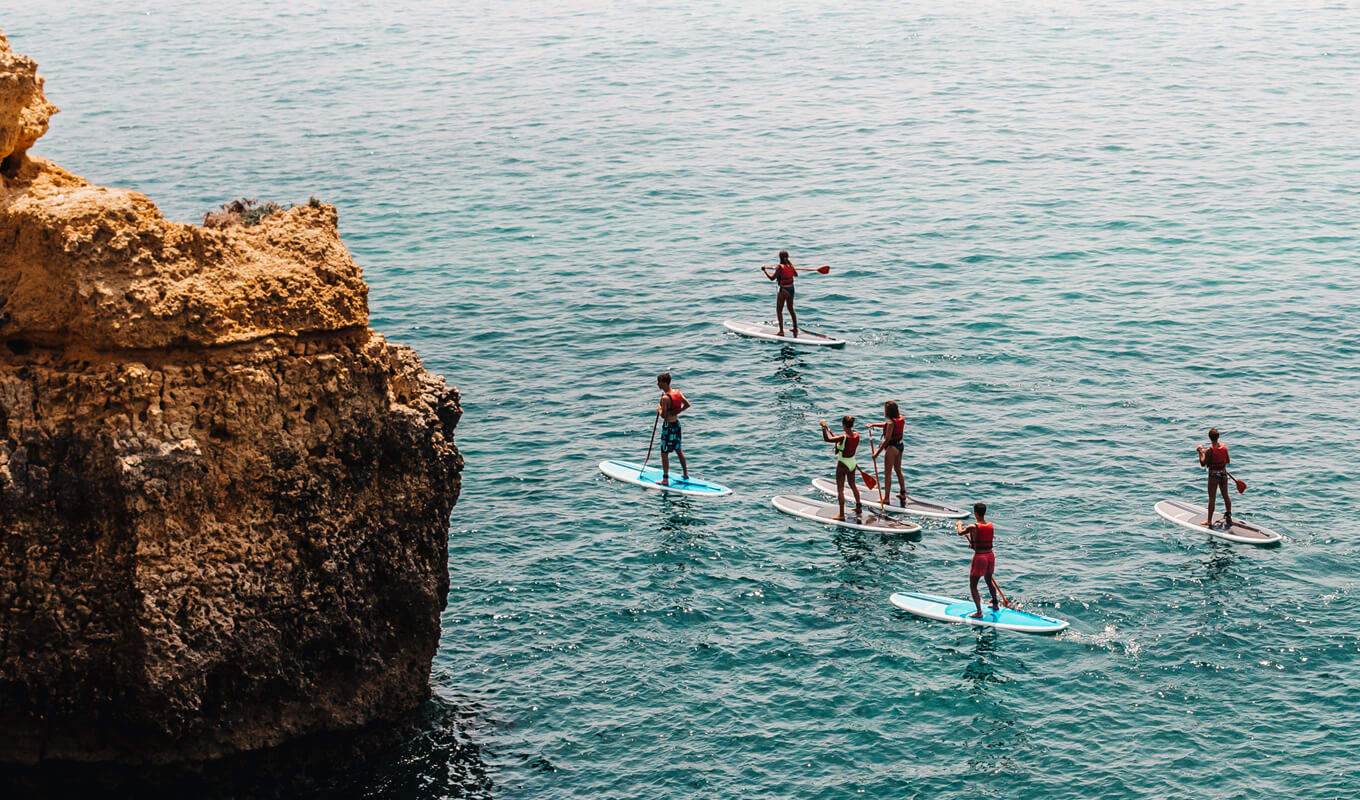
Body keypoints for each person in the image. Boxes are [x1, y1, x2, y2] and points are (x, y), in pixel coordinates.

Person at [956, 502, 1007, 619]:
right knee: (988, 580)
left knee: (973, 585)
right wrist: (974, 544)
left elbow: (960, 532)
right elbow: (982, 539)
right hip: (990, 556)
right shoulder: (990, 525)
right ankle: (995, 604)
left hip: (980, 558)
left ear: (975, 514)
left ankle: (979, 612)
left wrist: (959, 524)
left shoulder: (973, 526)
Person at [819, 416, 863, 520]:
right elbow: (846, 445)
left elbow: (827, 439)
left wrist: (823, 428)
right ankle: (858, 507)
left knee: (840, 490)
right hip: (852, 463)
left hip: (843, 464)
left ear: (843, 425)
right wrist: (839, 444)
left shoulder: (843, 437)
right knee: (853, 485)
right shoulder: (857, 435)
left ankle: (841, 515)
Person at [868, 401, 908, 506]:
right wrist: (873, 425)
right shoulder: (901, 418)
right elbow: (887, 426)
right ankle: (903, 492)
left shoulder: (891, 423)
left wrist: (876, 454)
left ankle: (886, 498)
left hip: (892, 448)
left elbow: (886, 439)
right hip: (900, 446)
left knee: (887, 474)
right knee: (898, 470)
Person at [655, 372, 690, 485]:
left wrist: (659, 408)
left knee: (664, 452)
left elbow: (664, 415)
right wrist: (676, 411)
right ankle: (685, 473)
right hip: (676, 424)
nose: (657, 384)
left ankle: (665, 479)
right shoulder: (677, 392)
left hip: (668, 427)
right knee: (678, 449)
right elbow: (687, 404)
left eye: (659, 382)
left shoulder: (665, 398)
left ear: (664, 383)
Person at [1197, 427, 1231, 527]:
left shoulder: (1210, 450)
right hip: (1223, 474)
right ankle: (1228, 515)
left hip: (1214, 475)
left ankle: (1209, 521)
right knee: (1225, 494)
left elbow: (1203, 463)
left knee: (1212, 498)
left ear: (1209, 438)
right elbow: (1228, 461)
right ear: (1218, 437)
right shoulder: (1224, 448)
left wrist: (1199, 452)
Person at [760, 250, 798, 337]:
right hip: (792, 288)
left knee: (779, 310)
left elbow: (772, 278)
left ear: (779, 257)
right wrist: (789, 269)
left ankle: (781, 331)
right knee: (790, 308)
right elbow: (796, 275)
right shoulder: (791, 266)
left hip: (784, 289)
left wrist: (764, 270)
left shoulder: (780, 267)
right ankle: (795, 328)